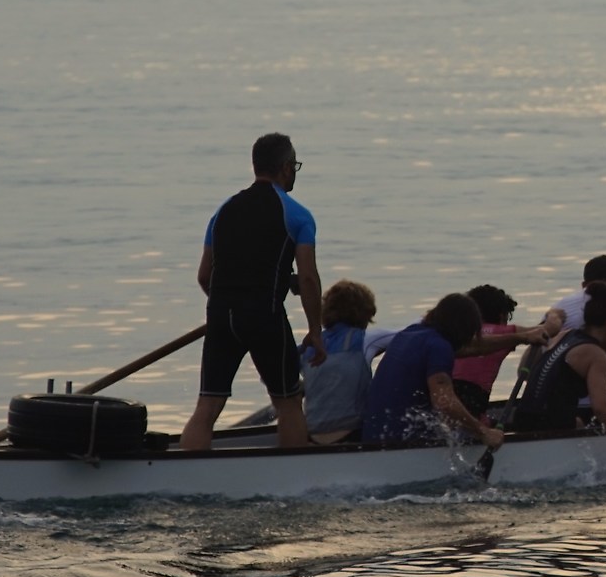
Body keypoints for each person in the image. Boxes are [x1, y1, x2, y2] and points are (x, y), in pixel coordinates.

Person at [180, 133, 324, 452]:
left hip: (221, 314)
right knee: (288, 401)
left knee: (208, 405)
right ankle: (295, 473)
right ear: (286, 168)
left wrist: (228, 306)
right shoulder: (298, 215)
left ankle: (186, 470)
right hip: (264, 316)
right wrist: (315, 330)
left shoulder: (223, 212)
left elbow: (205, 275)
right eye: (295, 165)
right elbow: (309, 278)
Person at [359, 294, 504, 450]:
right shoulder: (439, 347)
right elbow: (444, 402)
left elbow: (472, 348)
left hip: (373, 435)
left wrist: (519, 338)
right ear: (464, 329)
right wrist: (484, 432)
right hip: (400, 440)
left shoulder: (409, 333)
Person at [511, 285, 606, 445]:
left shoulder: (563, 335)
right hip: (551, 428)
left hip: (522, 419)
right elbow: (602, 409)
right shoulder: (598, 357)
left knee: (578, 422)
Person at [303, 278, 377, 442]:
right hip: (352, 432)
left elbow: (270, 376)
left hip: (312, 435)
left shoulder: (308, 347)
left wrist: (306, 386)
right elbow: (408, 337)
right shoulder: (366, 339)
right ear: (365, 312)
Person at [451, 283, 538, 415]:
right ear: (502, 316)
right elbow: (546, 331)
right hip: (472, 396)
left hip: (443, 392)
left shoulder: (457, 333)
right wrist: (555, 315)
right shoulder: (506, 333)